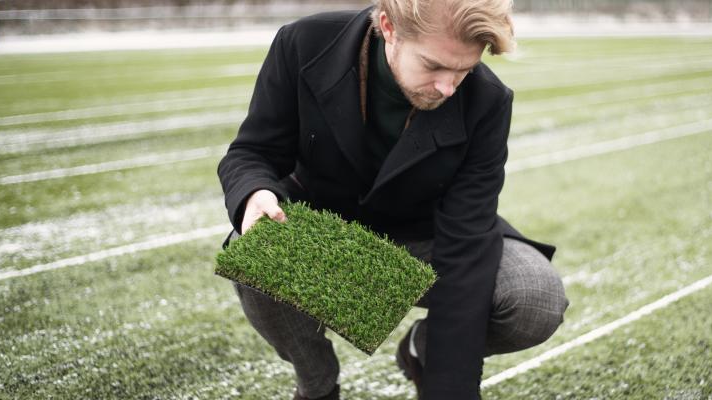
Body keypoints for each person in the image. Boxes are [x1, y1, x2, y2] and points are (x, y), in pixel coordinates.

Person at [217, 1, 569, 398]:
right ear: (388, 27)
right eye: (434, 66)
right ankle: (317, 385)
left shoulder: (489, 101)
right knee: (258, 243)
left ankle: (423, 349)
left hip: (427, 239)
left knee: (537, 298)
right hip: (324, 237)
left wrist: (448, 385)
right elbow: (252, 152)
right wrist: (254, 192)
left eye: (464, 70)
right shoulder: (304, 42)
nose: (448, 87)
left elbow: (467, 240)